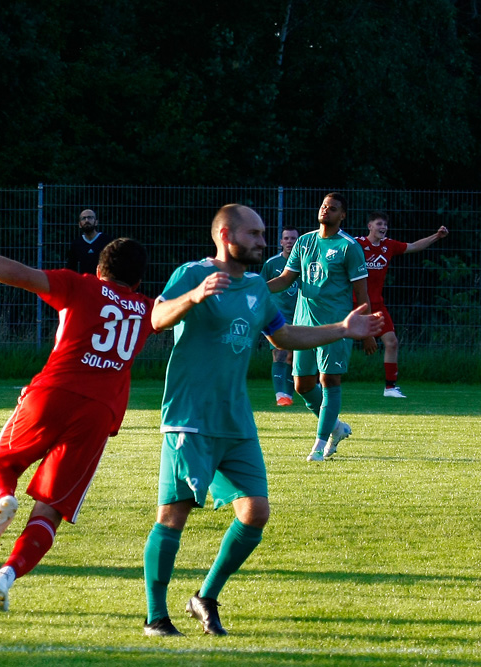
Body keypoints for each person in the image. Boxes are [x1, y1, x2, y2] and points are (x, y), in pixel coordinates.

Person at [143, 204, 382, 638]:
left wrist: (343, 329)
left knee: (255, 512)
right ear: (224, 234)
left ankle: (206, 597)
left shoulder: (256, 286)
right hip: (190, 418)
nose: (262, 240)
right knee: (174, 513)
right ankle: (156, 617)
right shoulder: (191, 273)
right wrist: (193, 297)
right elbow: (156, 319)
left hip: (236, 422)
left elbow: (285, 335)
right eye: (253, 233)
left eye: (263, 233)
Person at [0, 237, 159, 613]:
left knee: (3, 465)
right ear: (137, 281)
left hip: (53, 392)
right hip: (99, 413)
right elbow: (180, 311)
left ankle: (3, 498)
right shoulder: (146, 308)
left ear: (100, 270)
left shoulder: (81, 284)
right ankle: (6, 574)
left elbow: (17, 275)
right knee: (49, 509)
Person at [267, 193, 372, 462]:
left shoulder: (349, 247)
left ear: (342, 216)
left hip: (336, 326)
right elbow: (285, 279)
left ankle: (319, 445)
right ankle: (336, 427)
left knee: (329, 380)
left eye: (333, 208)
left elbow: (362, 293)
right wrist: (252, 288)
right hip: (303, 325)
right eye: (324, 206)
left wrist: (368, 330)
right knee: (302, 385)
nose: (326, 210)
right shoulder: (304, 242)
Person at [356, 212, 449, 398]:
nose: (383, 227)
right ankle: (316, 380)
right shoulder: (356, 244)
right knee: (333, 341)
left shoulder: (388, 245)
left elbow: (414, 246)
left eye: (385, 224)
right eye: (379, 223)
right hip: (355, 304)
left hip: (377, 305)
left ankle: (390, 388)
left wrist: (437, 236)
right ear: (370, 226)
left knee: (392, 342)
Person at [261, 226, 300, 406]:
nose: (290, 242)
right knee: (279, 353)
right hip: (277, 315)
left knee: (293, 357)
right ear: (281, 242)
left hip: (299, 314)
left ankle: (289, 396)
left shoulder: (304, 263)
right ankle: (280, 396)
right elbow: (262, 288)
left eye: (293, 239)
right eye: (287, 238)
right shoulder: (271, 264)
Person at [66, 209, 111, 275]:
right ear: (80, 224)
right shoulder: (76, 244)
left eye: (90, 217)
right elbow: (71, 268)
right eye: (83, 218)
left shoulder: (107, 241)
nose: (87, 220)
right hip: (84, 283)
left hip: (102, 282)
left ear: (96, 222)